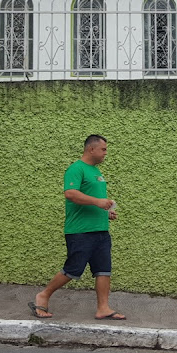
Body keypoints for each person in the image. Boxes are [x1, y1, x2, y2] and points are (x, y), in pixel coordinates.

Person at [28, 135, 125, 320]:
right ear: (91, 149)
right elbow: (71, 194)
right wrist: (98, 202)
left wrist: (105, 212)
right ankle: (44, 295)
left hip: (100, 229)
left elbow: (92, 201)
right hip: (80, 231)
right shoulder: (76, 168)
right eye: (103, 149)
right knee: (73, 268)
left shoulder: (96, 172)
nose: (106, 153)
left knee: (103, 269)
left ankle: (103, 308)